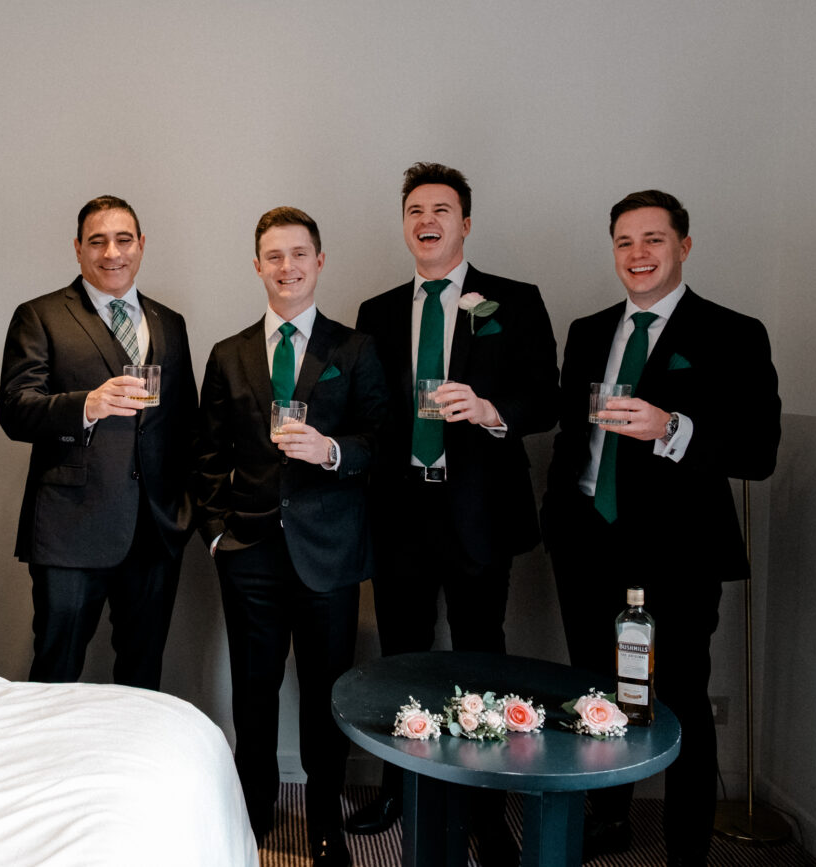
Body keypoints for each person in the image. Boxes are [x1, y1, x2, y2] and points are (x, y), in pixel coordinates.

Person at [543, 190, 780, 866]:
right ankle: (609, 816)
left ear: (684, 245)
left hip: (678, 553)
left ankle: (685, 850)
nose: (638, 254)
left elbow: (758, 451)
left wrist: (672, 429)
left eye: (653, 239)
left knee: (678, 700)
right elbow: (571, 434)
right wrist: (559, 515)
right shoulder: (589, 330)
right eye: (625, 241)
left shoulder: (734, 332)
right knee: (594, 691)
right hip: (587, 540)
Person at [349, 163, 559, 853]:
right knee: (399, 660)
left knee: (481, 657)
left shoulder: (514, 300)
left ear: (465, 222)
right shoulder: (376, 312)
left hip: (480, 511)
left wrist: (491, 409)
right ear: (405, 222)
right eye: (414, 209)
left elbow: (547, 396)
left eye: (440, 208)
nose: (426, 218)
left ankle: (483, 808)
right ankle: (395, 788)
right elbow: (368, 411)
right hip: (400, 511)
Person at [195, 206, 388, 866]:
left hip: (328, 551)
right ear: (257, 266)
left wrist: (331, 450)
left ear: (319, 261)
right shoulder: (228, 354)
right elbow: (208, 452)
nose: (287, 266)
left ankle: (325, 821)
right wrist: (218, 532)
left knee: (326, 693)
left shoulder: (354, 350)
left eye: (299, 253)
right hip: (248, 550)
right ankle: (254, 808)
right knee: (253, 693)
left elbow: (378, 442)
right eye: (273, 256)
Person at [0, 195, 197, 689]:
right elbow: (15, 411)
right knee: (56, 673)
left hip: (153, 529)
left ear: (142, 245)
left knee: (142, 676)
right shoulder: (40, 315)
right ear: (78, 249)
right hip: (70, 528)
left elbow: (184, 422)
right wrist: (86, 405)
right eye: (98, 241)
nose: (112, 252)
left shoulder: (170, 322)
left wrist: (184, 512)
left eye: (124, 239)